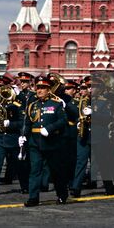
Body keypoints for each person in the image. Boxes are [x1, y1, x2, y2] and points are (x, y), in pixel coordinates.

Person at [24, 76, 73, 207]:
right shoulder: (32, 105)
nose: (39, 90)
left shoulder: (56, 104)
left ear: (48, 89)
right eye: (38, 87)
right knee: (35, 170)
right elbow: (27, 123)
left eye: (42, 88)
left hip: (51, 142)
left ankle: (62, 195)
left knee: (56, 171)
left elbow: (63, 121)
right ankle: (33, 197)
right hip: (35, 142)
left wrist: (50, 128)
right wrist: (23, 135)